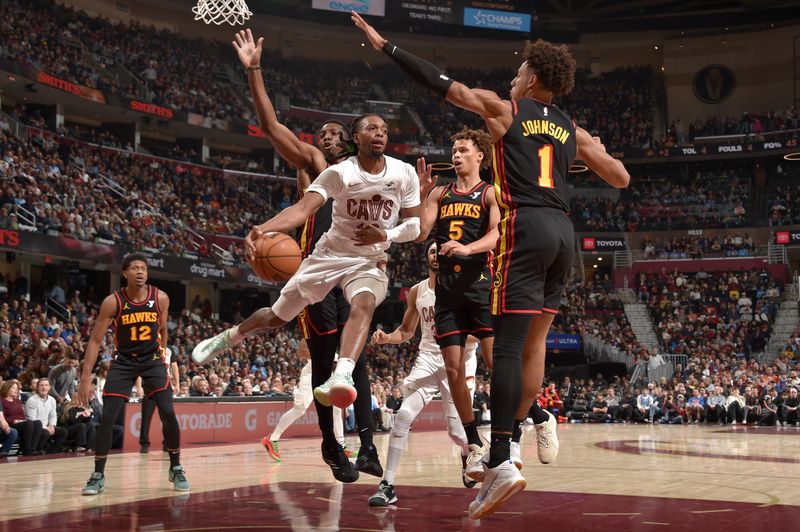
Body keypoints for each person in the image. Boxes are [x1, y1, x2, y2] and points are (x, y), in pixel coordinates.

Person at [353, 12, 630, 519]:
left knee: (505, 345)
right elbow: (620, 177)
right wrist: (591, 152)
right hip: (564, 235)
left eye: (520, 69)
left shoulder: (506, 111)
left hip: (524, 227)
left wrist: (385, 46)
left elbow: (442, 84)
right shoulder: (571, 128)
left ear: (534, 78)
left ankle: (500, 456)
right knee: (535, 346)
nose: (513, 76)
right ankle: (510, 452)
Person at [196, 29, 383, 482]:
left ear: (355, 138)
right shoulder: (318, 166)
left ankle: (369, 448)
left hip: (355, 269)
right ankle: (331, 446)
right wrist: (255, 72)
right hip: (318, 267)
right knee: (322, 363)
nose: (328, 138)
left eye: (337, 133)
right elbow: (273, 127)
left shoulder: (373, 174)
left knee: (355, 363)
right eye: (323, 134)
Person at [192, 109, 420, 465]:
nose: (380, 133)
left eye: (384, 129)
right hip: (327, 257)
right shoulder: (337, 172)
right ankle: (230, 336)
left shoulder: (404, 172)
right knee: (276, 317)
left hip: (368, 261)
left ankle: (342, 372)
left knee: (364, 301)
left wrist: (386, 235)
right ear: (356, 138)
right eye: (371, 128)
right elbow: (301, 210)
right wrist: (263, 229)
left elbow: (416, 228)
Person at [368, 243, 480, 507]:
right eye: (430, 251)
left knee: (456, 431)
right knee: (403, 416)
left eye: (439, 250)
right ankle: (388, 484)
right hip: (428, 359)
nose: (435, 254)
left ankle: (470, 453)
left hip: (460, 359)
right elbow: (406, 331)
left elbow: (481, 331)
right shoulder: (417, 290)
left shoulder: (464, 287)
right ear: (427, 257)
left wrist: (458, 336)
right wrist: (387, 338)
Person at [415, 128, 498, 471]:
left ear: (480, 156)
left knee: (497, 365)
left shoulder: (489, 193)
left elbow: (496, 234)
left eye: (463, 149)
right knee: (453, 371)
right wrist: (420, 197)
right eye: (454, 149)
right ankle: (474, 441)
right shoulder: (439, 193)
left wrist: (468, 248)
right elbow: (420, 233)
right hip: (447, 292)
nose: (456, 154)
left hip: (480, 287)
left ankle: (520, 428)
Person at [77, 253, 189, 495]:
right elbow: (95, 341)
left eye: (144, 268)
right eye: (135, 268)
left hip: (153, 361)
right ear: (125, 273)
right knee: (108, 417)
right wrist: (86, 377)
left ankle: (176, 467)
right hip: (124, 362)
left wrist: (164, 360)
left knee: (168, 412)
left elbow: (162, 331)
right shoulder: (113, 302)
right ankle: (98, 474)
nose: (140, 272)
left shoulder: (160, 298)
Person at [262, 339, 350, 463]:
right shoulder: (312, 329)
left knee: (336, 409)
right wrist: (325, 355)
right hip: (311, 374)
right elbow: (302, 353)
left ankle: (341, 445)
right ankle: (272, 439)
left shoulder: (335, 331)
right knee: (300, 409)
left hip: (327, 375)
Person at [139, 346, 179, 453]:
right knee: (146, 416)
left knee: (166, 416)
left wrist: (177, 384)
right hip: (149, 385)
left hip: (165, 385)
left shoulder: (170, 350)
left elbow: (174, 367)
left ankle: (167, 443)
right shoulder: (148, 347)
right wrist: (138, 386)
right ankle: (144, 444)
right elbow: (139, 367)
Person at [0, 379, 46, 455]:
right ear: (7, 388)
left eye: (17, 389)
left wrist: (22, 420)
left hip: (21, 424)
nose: (16, 390)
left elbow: (22, 415)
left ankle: (34, 449)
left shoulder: (18, 401)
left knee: (37, 423)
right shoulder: (2, 401)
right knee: (28, 423)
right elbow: (2, 418)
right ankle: (27, 449)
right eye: (14, 388)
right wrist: (14, 421)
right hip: (10, 424)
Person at [24, 378, 67, 453]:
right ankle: (37, 450)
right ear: (37, 387)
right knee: (45, 433)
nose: (44, 387)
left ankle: (51, 451)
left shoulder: (52, 400)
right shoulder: (32, 400)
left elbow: (53, 415)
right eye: (41, 385)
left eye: (46, 385)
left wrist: (52, 426)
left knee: (63, 432)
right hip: (36, 428)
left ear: (50, 387)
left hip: (47, 426)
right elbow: (32, 419)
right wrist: (46, 428)